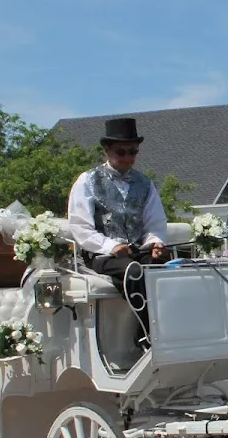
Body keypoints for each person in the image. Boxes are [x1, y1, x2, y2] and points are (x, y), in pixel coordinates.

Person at [67, 117, 170, 347]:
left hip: (136, 249)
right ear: (107, 150)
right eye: (121, 152)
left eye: (133, 152)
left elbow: (155, 223)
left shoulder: (145, 183)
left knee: (167, 266)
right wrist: (110, 246)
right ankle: (148, 334)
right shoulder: (88, 181)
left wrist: (155, 243)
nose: (127, 158)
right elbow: (80, 227)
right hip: (101, 256)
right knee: (132, 270)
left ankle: (173, 326)